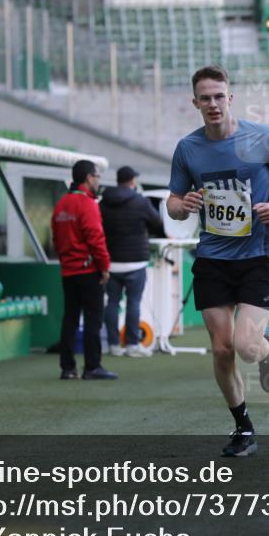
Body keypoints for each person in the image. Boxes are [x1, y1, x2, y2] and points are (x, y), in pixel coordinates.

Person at [166, 65, 269, 457]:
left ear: (230, 98)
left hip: (256, 256)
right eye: (205, 98)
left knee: (246, 347)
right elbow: (173, 203)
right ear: (195, 103)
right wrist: (183, 204)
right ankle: (243, 427)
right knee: (222, 349)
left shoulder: (261, 137)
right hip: (212, 257)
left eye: (219, 96)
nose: (213, 104)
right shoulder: (188, 148)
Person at [51, 160, 117, 381]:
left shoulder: (61, 203)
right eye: (97, 176)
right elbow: (96, 239)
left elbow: (56, 239)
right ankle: (92, 367)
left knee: (70, 318)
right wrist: (104, 267)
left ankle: (67, 368)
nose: (98, 180)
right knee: (92, 319)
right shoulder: (88, 204)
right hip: (88, 271)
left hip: (68, 271)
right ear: (89, 178)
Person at [100, 165, 164, 358]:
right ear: (132, 181)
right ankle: (132, 345)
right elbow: (158, 223)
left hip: (111, 262)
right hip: (136, 261)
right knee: (133, 303)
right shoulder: (140, 201)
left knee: (112, 303)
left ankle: (113, 345)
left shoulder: (103, 202)